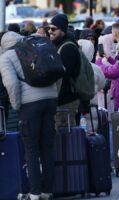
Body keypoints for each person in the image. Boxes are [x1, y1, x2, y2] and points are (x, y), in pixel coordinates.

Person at [0, 31, 58, 200]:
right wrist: (54, 95)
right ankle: (48, 191)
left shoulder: (6, 57)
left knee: (31, 149)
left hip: (29, 105)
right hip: (50, 100)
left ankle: (35, 193)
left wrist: (17, 105)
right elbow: (57, 72)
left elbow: (11, 83)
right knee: (47, 147)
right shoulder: (36, 49)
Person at [48, 14, 81, 125]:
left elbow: (64, 74)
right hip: (62, 99)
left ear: (62, 30)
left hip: (67, 100)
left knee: (66, 136)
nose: (50, 31)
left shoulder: (68, 48)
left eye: (53, 29)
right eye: (49, 28)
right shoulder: (58, 45)